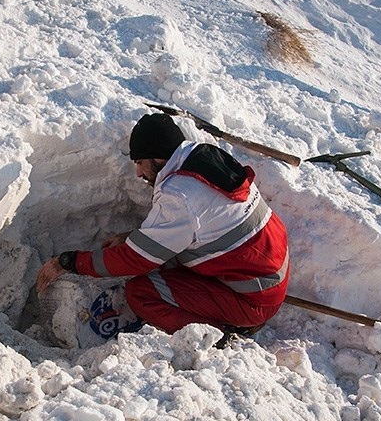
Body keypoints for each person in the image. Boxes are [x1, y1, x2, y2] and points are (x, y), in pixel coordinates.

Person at [36, 113, 290, 346]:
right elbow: (197, 225)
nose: (138, 172)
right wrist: (133, 238)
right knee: (163, 263)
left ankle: (217, 335)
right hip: (263, 273)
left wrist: (70, 262)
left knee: (141, 293)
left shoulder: (180, 195)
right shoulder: (202, 159)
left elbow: (135, 260)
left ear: (158, 157)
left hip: (252, 298)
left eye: (139, 162)